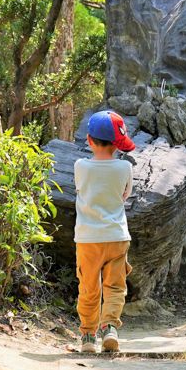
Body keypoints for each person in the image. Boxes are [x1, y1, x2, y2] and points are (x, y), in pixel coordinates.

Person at [74, 110, 135, 354]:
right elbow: (124, 195)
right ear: (117, 144)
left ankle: (88, 335)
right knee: (115, 287)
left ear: (89, 140)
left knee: (89, 287)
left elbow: (81, 189)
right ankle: (110, 328)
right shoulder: (124, 168)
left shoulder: (80, 166)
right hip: (117, 237)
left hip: (87, 239)